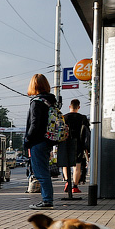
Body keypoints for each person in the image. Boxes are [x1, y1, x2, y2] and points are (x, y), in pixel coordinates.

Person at [25, 73, 57, 209]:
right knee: (43, 171)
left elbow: (34, 123)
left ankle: (47, 201)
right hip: (47, 140)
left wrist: (27, 139)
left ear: (34, 85)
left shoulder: (37, 102)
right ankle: (47, 199)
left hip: (37, 141)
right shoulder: (50, 101)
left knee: (41, 173)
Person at [61, 99, 89, 194]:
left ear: (70, 106)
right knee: (77, 166)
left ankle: (67, 182)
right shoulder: (83, 118)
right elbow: (86, 133)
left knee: (65, 163)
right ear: (79, 107)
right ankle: (75, 186)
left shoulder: (64, 117)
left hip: (66, 142)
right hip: (79, 143)